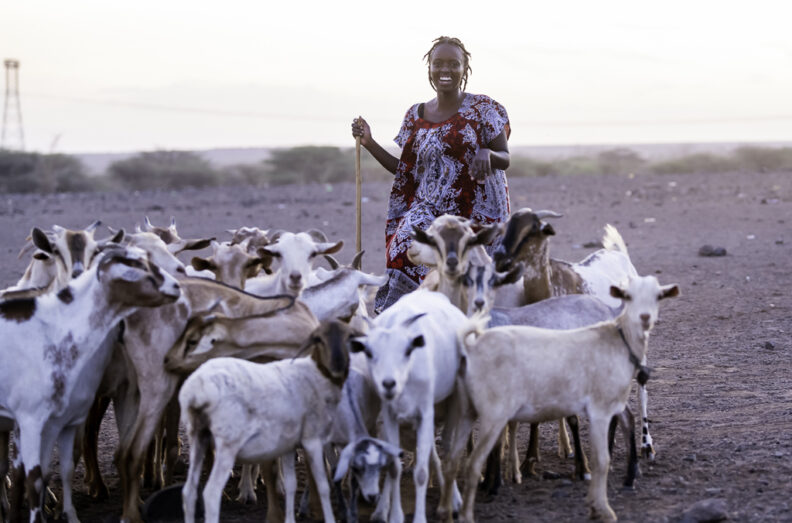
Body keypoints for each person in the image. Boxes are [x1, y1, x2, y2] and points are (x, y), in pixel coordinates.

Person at [352, 36, 511, 312]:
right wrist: (369, 142)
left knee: (473, 267)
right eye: (438, 64)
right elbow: (405, 173)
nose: (445, 70)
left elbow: (505, 159)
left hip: (476, 211)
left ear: (465, 69)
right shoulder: (415, 115)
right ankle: (409, 319)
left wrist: (488, 155)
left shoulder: (484, 109)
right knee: (404, 250)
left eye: (453, 64)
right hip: (428, 209)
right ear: (429, 69)